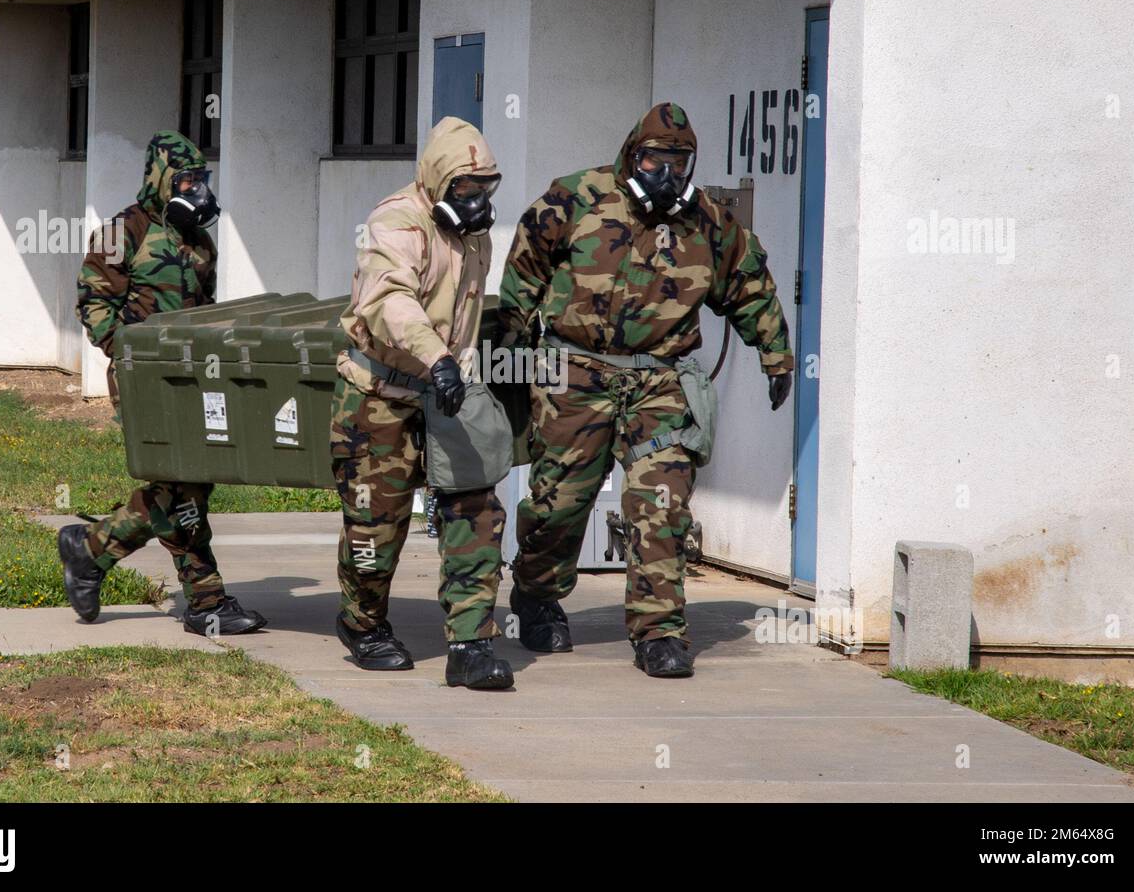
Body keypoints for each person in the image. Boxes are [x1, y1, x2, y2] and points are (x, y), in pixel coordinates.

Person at [498, 102, 794, 678]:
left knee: (661, 504)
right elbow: (525, 267)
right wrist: (513, 343)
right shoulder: (576, 196)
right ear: (634, 153)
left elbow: (747, 283)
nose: (666, 173)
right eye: (655, 159)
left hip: (661, 379)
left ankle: (660, 632)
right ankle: (535, 597)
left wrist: (775, 353)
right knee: (557, 503)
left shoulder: (707, 220)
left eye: (678, 163)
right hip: (575, 375)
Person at [58, 130, 266, 636]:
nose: (197, 189)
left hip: (192, 378)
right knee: (181, 482)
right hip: (141, 379)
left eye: (202, 179)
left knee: (189, 480)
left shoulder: (199, 239)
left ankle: (90, 549)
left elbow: (206, 310)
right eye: (187, 179)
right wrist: (127, 352)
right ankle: (204, 598)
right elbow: (93, 302)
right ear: (161, 178)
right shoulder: (123, 230)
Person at [331, 116, 513, 690]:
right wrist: (435, 358)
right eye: (465, 189)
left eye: (485, 190)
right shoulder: (395, 221)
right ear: (437, 182)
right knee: (374, 527)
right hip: (379, 395)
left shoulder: (473, 234)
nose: (477, 201)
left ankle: (470, 643)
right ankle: (363, 625)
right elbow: (390, 298)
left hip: (448, 391)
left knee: (476, 512)